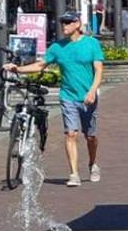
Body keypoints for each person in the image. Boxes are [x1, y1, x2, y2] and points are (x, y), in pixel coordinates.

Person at [13, 10, 104, 187]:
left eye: (68, 22)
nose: (64, 25)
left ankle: (92, 163)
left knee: (90, 136)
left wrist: (92, 91)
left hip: (88, 96)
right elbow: (40, 65)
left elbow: (99, 70)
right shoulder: (57, 47)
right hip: (68, 96)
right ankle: (74, 174)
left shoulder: (92, 44)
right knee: (71, 133)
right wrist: (17, 69)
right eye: (63, 22)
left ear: (77, 24)